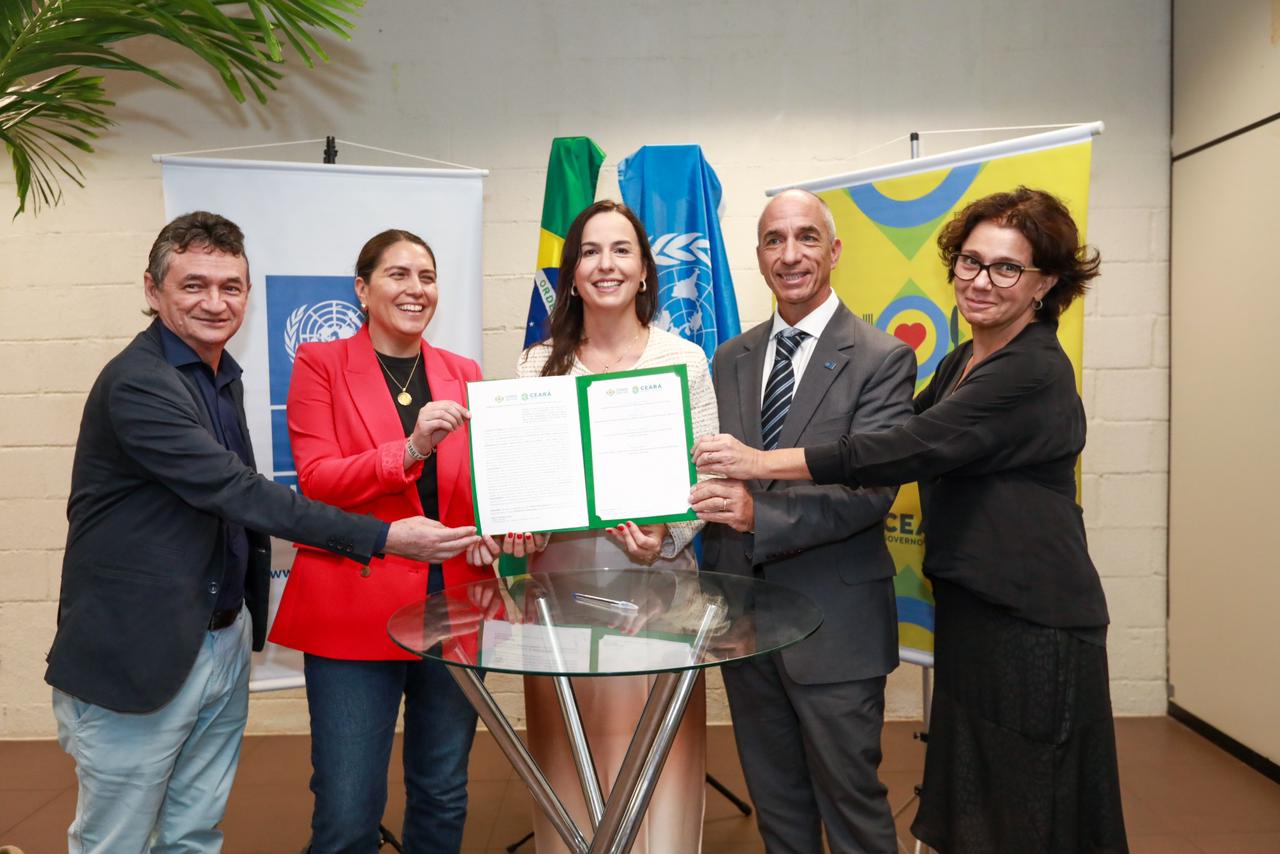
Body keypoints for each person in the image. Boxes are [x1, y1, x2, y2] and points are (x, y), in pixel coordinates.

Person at [693, 187, 1129, 853]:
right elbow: (889, 441)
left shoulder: (1031, 370)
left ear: (1045, 284)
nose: (980, 281)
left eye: (1006, 268)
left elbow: (898, 450)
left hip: (1033, 621)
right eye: (971, 262)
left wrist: (760, 466)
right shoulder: (963, 360)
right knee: (983, 808)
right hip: (975, 608)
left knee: (1032, 809)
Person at [44, 212, 480, 854]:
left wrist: (510, 527)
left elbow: (483, 486)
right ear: (152, 290)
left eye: (231, 287)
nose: (215, 302)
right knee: (120, 837)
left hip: (222, 632)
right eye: (194, 286)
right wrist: (391, 519)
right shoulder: (142, 383)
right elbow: (246, 492)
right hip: (145, 647)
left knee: (193, 831)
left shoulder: (220, 375)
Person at [687, 189, 916, 854]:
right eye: (774, 240)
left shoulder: (881, 358)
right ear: (759, 255)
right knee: (778, 807)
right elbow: (709, 472)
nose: (790, 255)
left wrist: (756, 512)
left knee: (851, 806)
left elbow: (870, 491)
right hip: (744, 622)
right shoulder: (729, 358)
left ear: (834, 250)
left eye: (806, 237)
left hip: (834, 625)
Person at [270, 229, 499, 854]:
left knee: (443, 791)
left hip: (454, 605)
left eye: (427, 276)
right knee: (348, 809)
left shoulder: (463, 371)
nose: (415, 289)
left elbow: (482, 485)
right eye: (398, 275)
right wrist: (411, 448)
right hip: (354, 606)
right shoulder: (320, 364)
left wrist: (499, 529)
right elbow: (318, 481)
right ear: (362, 289)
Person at [507, 200, 719, 853]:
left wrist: (666, 536)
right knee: (568, 763)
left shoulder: (685, 360)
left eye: (622, 249)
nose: (607, 264)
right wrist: (523, 526)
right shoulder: (536, 365)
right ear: (571, 274)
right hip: (558, 597)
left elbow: (706, 483)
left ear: (645, 270)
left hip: (660, 595)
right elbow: (525, 482)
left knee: (657, 772)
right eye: (590, 251)